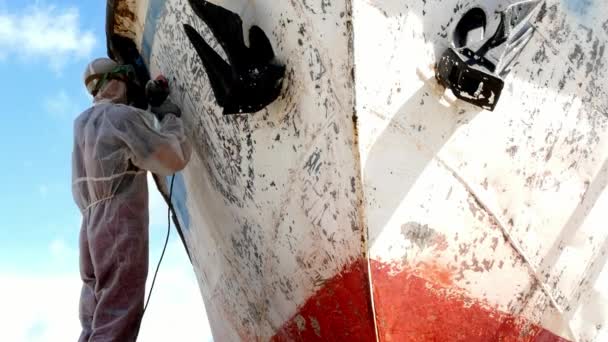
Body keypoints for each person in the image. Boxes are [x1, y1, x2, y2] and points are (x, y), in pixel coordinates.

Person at [73, 57, 192, 341]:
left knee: (94, 316)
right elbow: (171, 158)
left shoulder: (82, 123)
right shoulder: (121, 118)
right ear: (117, 80)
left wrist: (144, 113)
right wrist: (169, 118)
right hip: (118, 222)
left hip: (89, 228)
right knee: (117, 314)